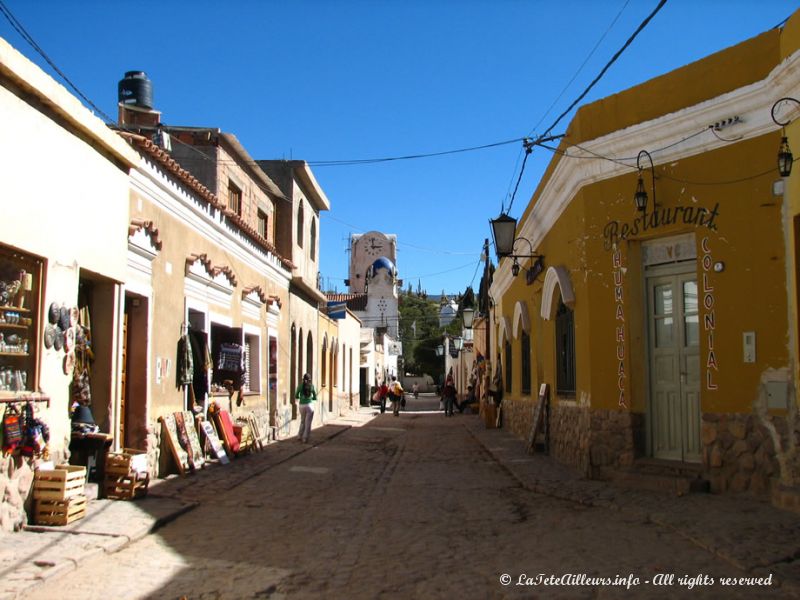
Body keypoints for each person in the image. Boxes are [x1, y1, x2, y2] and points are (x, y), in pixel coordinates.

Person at [295, 373, 316, 443]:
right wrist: (312, 398)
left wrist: (300, 397)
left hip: (301, 406)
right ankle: (305, 438)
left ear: (303, 379)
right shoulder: (312, 386)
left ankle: (299, 436)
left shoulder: (300, 386)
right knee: (308, 423)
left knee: (302, 421)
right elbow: (315, 396)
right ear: (310, 380)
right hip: (309, 405)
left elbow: (296, 395)